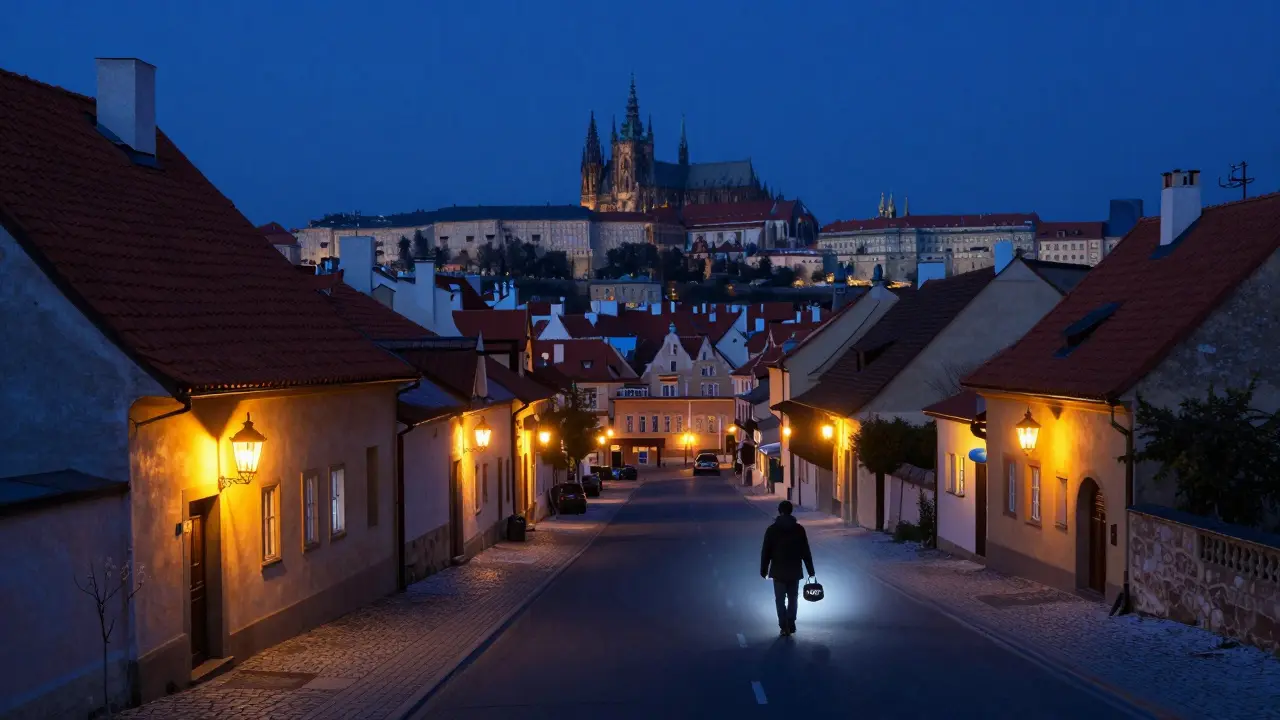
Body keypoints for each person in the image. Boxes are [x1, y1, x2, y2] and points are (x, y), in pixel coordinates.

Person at [760, 500, 815, 636]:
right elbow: (805, 551)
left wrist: (764, 570)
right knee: (793, 597)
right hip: (795, 569)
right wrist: (810, 571)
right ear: (791, 511)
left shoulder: (772, 530)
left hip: (778, 570)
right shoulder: (799, 529)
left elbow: (766, 551)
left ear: (779, 511)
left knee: (779, 599)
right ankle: (791, 622)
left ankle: (783, 625)